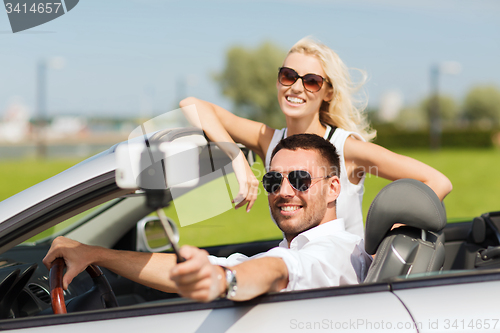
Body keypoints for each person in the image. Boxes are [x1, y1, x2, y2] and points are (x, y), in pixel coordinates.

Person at [43, 134, 372, 303]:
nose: (284, 192)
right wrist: (95, 253)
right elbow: (214, 268)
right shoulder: (299, 247)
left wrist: (221, 281)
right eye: (273, 181)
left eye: (300, 180)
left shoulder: (334, 252)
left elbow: (278, 271)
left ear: (332, 189)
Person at [179, 37, 452, 238]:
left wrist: (389, 237)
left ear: (328, 92)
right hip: (300, 272)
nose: (296, 87)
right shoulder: (269, 140)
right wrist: (239, 162)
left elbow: (438, 181)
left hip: (342, 281)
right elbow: (191, 104)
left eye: (311, 81)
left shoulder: (347, 148)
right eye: (288, 76)